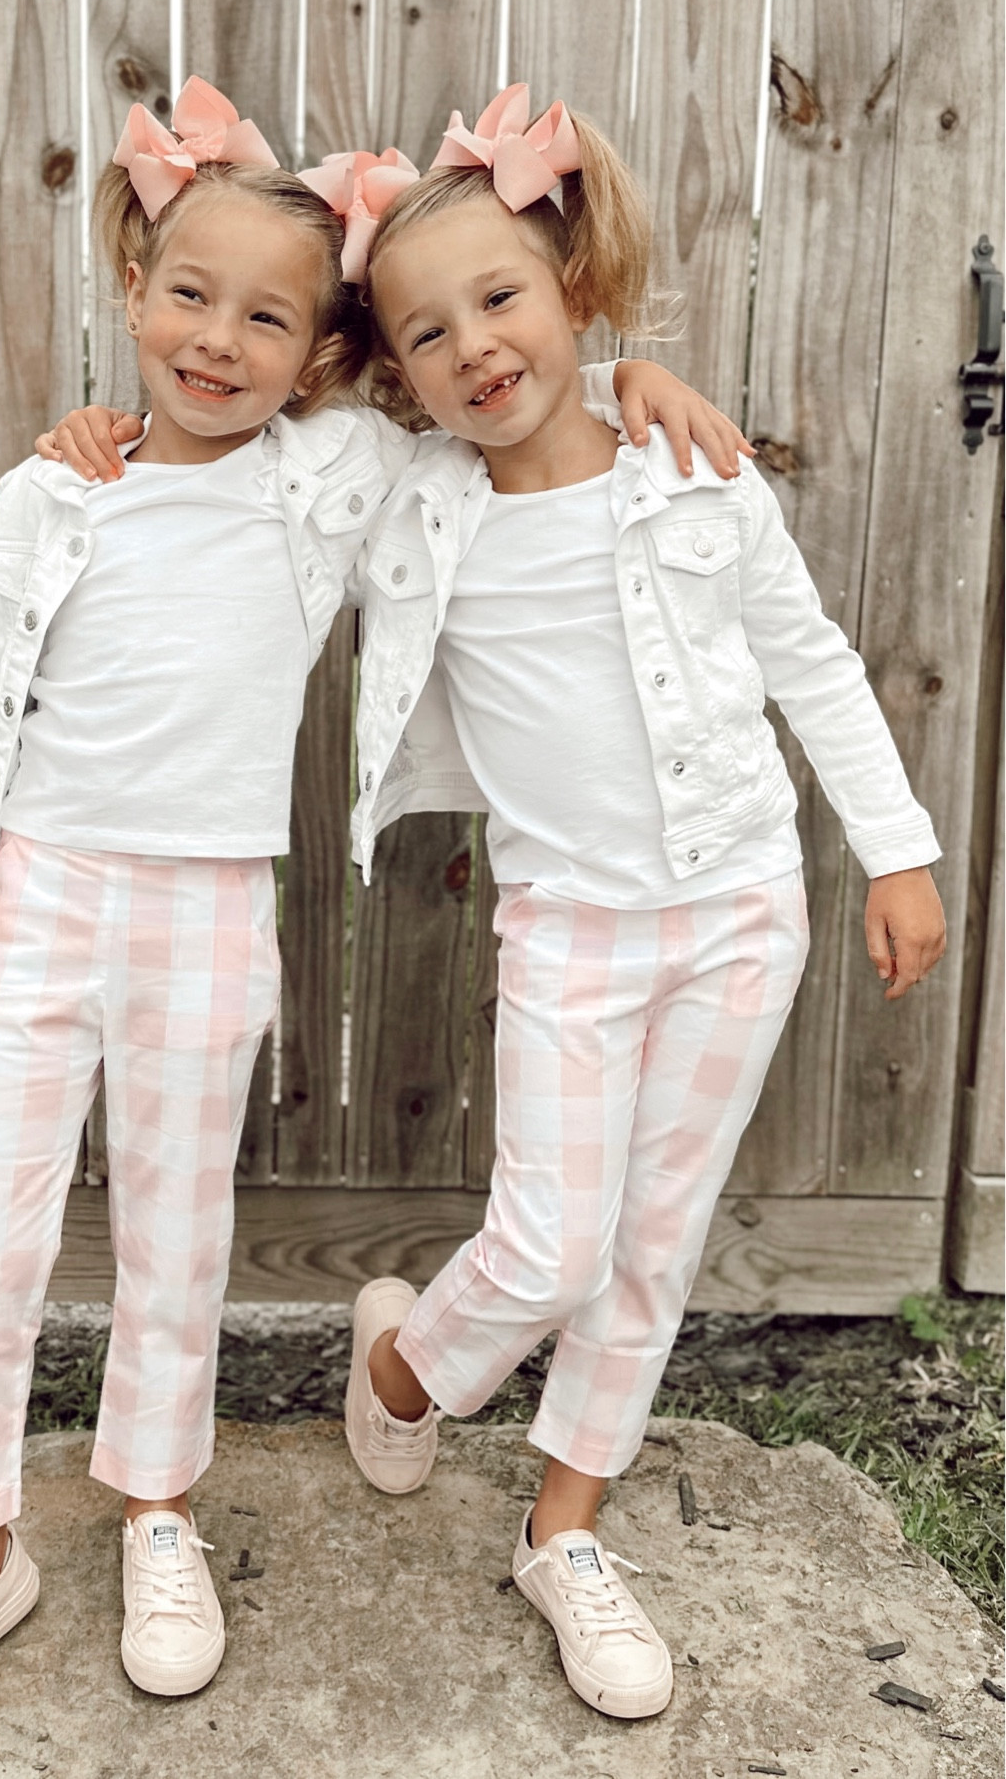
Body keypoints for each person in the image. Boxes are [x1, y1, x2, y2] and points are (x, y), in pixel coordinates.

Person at [0, 78, 739, 1759]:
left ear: (319, 359)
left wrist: (624, 378)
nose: (217, 341)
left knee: (180, 1219)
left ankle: (155, 1509)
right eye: (190, 296)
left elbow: (499, 398)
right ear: (132, 290)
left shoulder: (324, 486)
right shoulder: (53, 495)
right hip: (38, 889)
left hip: (205, 905)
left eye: (267, 319)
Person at [339, 84, 947, 1721]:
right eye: (424, 331)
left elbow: (811, 662)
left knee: (648, 1245)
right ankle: (399, 1359)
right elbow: (266, 434)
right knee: (545, 1244)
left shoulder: (692, 467)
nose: (473, 345)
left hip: (746, 910)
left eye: (500, 299)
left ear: (571, 287)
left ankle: (565, 1531)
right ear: (391, 373)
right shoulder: (412, 510)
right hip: (571, 931)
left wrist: (895, 848)